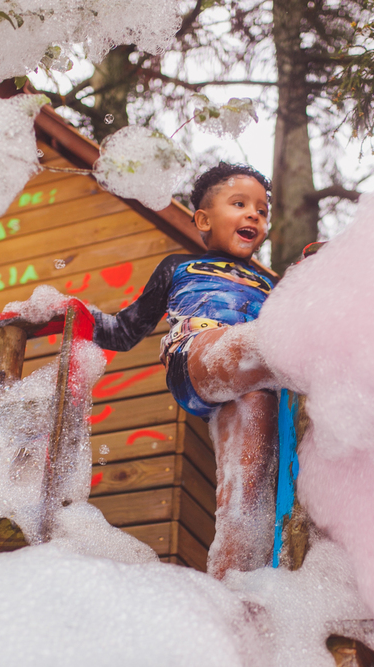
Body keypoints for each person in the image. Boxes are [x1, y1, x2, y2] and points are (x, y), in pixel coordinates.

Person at [91, 162, 281, 579]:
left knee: (248, 495)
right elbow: (123, 331)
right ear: (203, 219)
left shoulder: (271, 285)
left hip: (254, 380)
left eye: (262, 211)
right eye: (240, 204)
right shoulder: (179, 267)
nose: (254, 214)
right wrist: (69, 312)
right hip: (197, 355)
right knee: (278, 342)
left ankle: (234, 590)